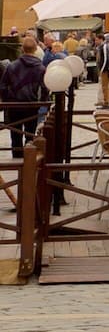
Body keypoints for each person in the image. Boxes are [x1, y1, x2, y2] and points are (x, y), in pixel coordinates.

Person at [3, 39, 55, 212]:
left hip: (14, 106)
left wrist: (6, 100)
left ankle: (17, 164)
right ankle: (29, 162)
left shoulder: (11, 66)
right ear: (35, 50)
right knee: (31, 135)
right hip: (31, 106)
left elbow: (3, 86)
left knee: (15, 136)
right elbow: (45, 88)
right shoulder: (40, 68)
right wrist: (43, 103)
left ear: (22, 50)